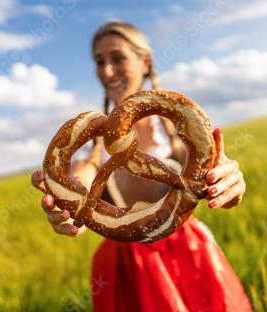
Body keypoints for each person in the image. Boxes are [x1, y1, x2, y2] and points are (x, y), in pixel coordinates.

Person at [31, 21, 252, 311]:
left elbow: (218, 189)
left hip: (192, 255)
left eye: (118, 58)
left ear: (145, 62)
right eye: (100, 62)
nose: (107, 71)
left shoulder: (178, 135)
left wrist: (230, 186)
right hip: (126, 270)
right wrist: (68, 210)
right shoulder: (95, 153)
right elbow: (80, 184)